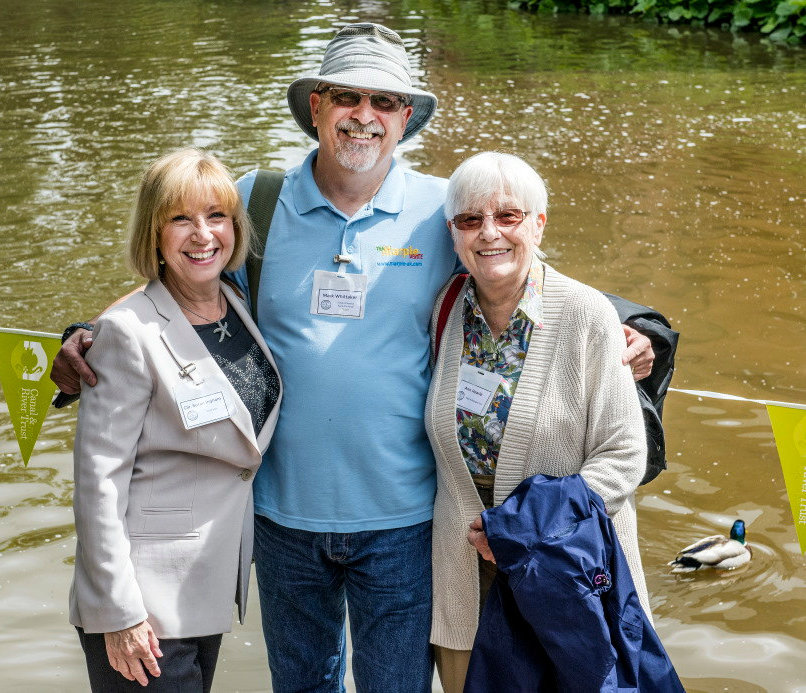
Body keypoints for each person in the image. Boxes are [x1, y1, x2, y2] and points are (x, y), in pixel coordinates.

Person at [53, 24, 657, 693]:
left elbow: (516, 264)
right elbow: (182, 275)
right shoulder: (258, 200)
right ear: (316, 106)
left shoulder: (441, 208)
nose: (364, 115)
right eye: (347, 96)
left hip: (404, 522)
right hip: (282, 516)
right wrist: (90, 331)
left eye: (386, 101)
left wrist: (629, 323)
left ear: (405, 119)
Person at [425, 152, 651, 693]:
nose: (489, 234)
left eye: (508, 216)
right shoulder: (445, 309)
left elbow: (624, 459)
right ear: (453, 236)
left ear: (539, 223)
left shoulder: (589, 315)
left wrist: (522, 529)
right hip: (463, 578)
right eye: (470, 220)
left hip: (569, 585)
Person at [69, 148, 282, 692]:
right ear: (153, 233)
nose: (202, 234)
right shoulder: (126, 332)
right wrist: (119, 613)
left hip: (203, 590)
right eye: (180, 218)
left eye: (216, 216)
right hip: (143, 603)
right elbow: (98, 483)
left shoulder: (235, 302)